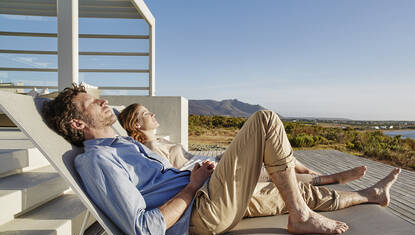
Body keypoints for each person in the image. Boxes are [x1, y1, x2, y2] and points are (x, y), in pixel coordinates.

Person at [42, 85, 401, 235]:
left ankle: (370, 196)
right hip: (202, 210)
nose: (103, 100)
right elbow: (142, 228)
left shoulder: (121, 144)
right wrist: (191, 185)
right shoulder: (99, 161)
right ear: (77, 124)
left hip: (207, 193)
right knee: (264, 121)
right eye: (92, 102)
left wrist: (197, 176)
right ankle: (300, 217)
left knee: (296, 191)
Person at [117, 103, 368, 185]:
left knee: (267, 150)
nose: (152, 114)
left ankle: (312, 173)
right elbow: (172, 177)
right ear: (137, 125)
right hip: (210, 173)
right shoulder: (149, 150)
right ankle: (323, 179)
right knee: (269, 172)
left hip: (213, 162)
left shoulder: (160, 140)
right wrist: (202, 168)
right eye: (146, 113)